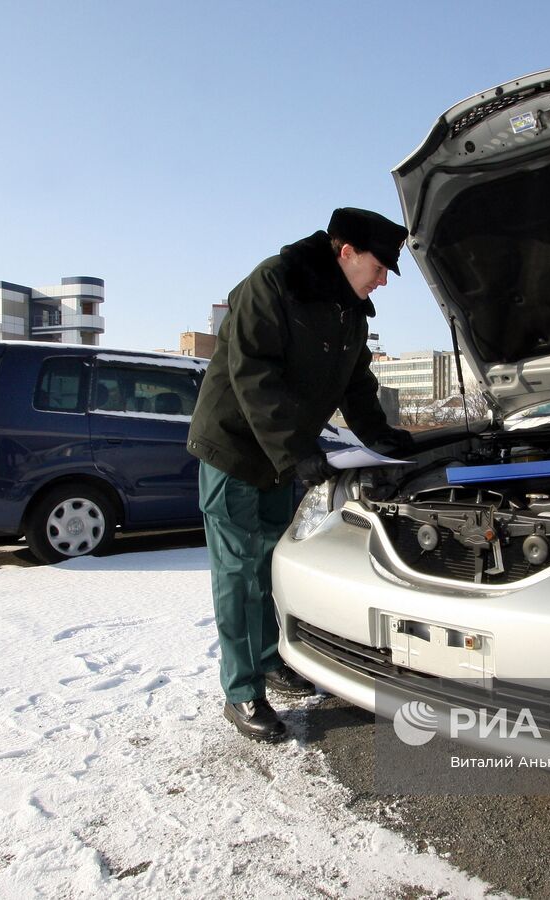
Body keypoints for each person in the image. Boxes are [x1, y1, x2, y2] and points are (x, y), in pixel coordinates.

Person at [187, 207, 415, 741]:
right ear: (346, 252)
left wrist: (379, 435)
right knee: (240, 572)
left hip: (277, 454)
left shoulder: (349, 311)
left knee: (270, 561)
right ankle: (242, 692)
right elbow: (254, 376)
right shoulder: (274, 283)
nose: (383, 280)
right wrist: (297, 449)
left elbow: (355, 380)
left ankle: (269, 660)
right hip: (235, 449)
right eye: (380, 267)